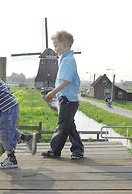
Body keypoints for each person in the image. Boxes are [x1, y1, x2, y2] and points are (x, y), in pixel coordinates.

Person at [42, 31, 84, 160]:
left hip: (67, 99)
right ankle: (78, 149)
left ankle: (54, 150)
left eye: (55, 45)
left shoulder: (68, 60)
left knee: (62, 125)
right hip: (67, 98)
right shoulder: (66, 59)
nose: (54, 48)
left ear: (64, 44)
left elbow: (66, 81)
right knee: (69, 126)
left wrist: (52, 93)